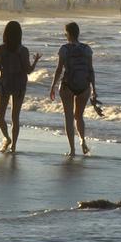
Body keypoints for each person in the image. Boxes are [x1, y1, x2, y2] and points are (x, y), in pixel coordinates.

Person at [0, 20, 40, 152]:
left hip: (5, 83)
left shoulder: (1, 49)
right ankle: (14, 147)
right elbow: (28, 70)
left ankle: (7, 138)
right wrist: (35, 61)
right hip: (19, 85)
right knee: (15, 117)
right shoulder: (23, 50)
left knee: (0, 116)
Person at [49, 21, 97, 156]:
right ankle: (82, 140)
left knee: (69, 117)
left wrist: (52, 86)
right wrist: (94, 89)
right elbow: (91, 70)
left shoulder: (64, 49)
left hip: (67, 85)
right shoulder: (87, 49)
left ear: (67, 34)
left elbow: (59, 70)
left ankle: (72, 150)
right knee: (79, 116)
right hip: (84, 86)